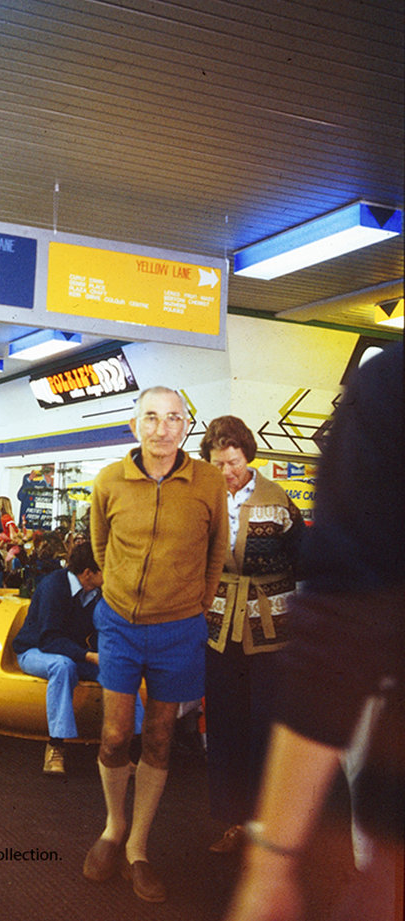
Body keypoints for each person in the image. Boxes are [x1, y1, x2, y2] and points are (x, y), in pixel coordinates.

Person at [224, 344, 403, 921]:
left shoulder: (390, 387)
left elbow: (342, 608)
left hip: (274, 628)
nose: (224, 466)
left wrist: (273, 864)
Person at [84, 385, 228, 903]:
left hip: (181, 628)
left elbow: (218, 552)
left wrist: (196, 604)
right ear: (134, 425)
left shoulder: (208, 482)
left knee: (162, 738)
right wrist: (120, 593)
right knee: (115, 735)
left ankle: (137, 847)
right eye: (151, 417)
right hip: (120, 624)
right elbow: (101, 545)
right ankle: (112, 827)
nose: (162, 428)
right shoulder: (109, 480)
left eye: (173, 419)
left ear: (187, 426)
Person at [199, 415, 304, 854]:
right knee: (223, 725)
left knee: (266, 724)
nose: (226, 472)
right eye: (218, 463)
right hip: (220, 627)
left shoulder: (277, 498)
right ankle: (232, 821)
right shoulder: (203, 499)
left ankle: (268, 822)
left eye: (234, 462)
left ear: (248, 455)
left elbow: (302, 561)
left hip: (271, 628)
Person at [12, 541, 107, 776]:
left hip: (71, 652)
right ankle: (55, 745)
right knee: (62, 666)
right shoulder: (54, 587)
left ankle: (116, 749)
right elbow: (49, 640)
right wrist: (90, 656)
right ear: (88, 573)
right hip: (34, 650)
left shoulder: (96, 593)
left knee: (119, 673)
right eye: (106, 568)